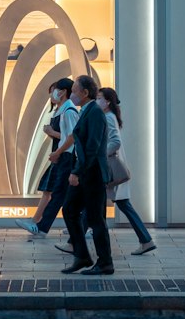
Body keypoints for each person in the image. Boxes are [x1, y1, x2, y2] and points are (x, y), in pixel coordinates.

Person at [61, 74, 113, 276]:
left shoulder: (95, 113)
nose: (72, 94)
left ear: (85, 92)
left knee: (95, 219)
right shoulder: (87, 111)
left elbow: (92, 148)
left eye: (74, 91)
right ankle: (82, 255)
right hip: (86, 172)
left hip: (92, 174)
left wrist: (77, 172)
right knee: (70, 210)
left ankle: (105, 263)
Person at [16, 78, 78, 238]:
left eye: (54, 90)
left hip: (66, 157)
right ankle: (37, 222)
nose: (51, 95)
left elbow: (72, 137)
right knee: (53, 192)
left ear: (63, 91)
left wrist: (55, 143)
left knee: (59, 194)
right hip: (60, 156)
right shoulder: (61, 111)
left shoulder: (69, 111)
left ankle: (42, 226)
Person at [98, 87, 155, 256]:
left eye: (99, 98)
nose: (97, 101)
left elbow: (115, 142)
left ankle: (74, 241)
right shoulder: (111, 116)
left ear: (107, 102)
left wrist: (100, 155)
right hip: (112, 169)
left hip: (109, 169)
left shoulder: (108, 117)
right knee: (117, 204)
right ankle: (146, 240)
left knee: (94, 202)